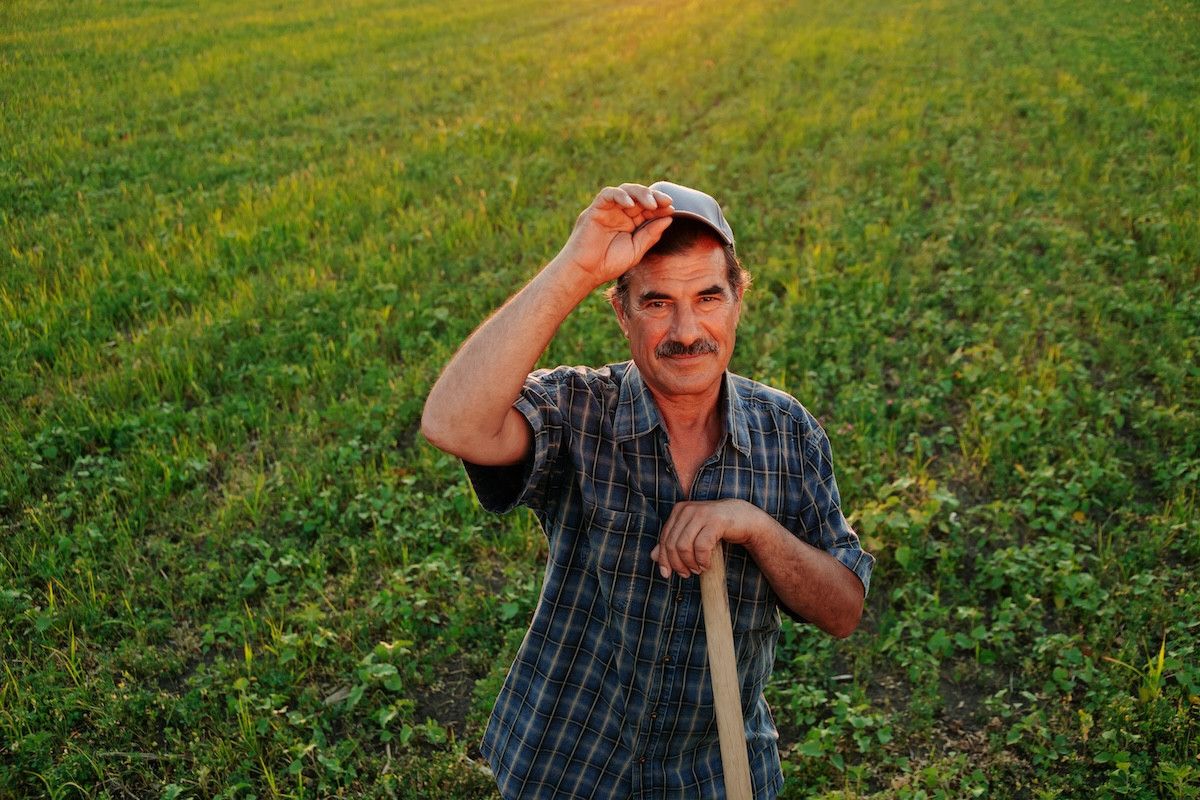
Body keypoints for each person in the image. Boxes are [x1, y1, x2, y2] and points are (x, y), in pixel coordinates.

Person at [421, 181, 875, 799]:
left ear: (737, 300)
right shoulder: (579, 408)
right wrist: (576, 267)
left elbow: (843, 610)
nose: (687, 331)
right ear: (621, 312)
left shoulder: (787, 432)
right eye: (657, 302)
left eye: (708, 297)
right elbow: (453, 424)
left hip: (714, 773)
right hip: (566, 763)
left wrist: (754, 527)